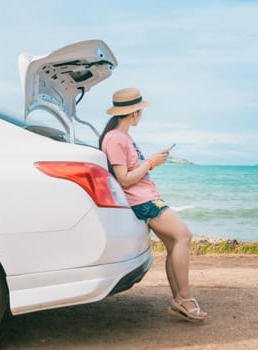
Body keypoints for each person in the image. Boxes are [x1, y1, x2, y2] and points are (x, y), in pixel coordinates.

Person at [99, 87, 207, 322]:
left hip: (148, 197)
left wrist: (152, 162)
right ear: (134, 113)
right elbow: (124, 179)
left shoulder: (122, 136)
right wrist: (151, 162)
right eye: (141, 111)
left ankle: (180, 300)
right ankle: (185, 298)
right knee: (184, 236)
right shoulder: (116, 138)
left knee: (175, 244)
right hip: (143, 201)